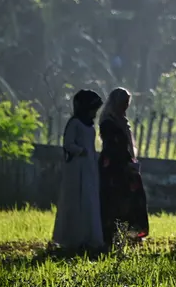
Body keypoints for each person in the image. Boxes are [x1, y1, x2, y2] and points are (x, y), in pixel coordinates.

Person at [52, 89, 105, 251]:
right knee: (75, 200)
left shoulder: (89, 125)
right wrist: (80, 151)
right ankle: (72, 238)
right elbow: (68, 144)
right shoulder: (74, 123)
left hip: (89, 167)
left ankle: (89, 238)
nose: (94, 113)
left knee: (89, 200)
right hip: (76, 168)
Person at [98, 87, 150, 244]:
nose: (126, 106)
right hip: (114, 167)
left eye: (127, 103)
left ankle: (132, 235)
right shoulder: (108, 123)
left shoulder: (122, 121)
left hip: (126, 165)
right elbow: (114, 147)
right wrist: (125, 162)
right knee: (115, 202)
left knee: (133, 201)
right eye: (123, 102)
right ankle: (113, 236)